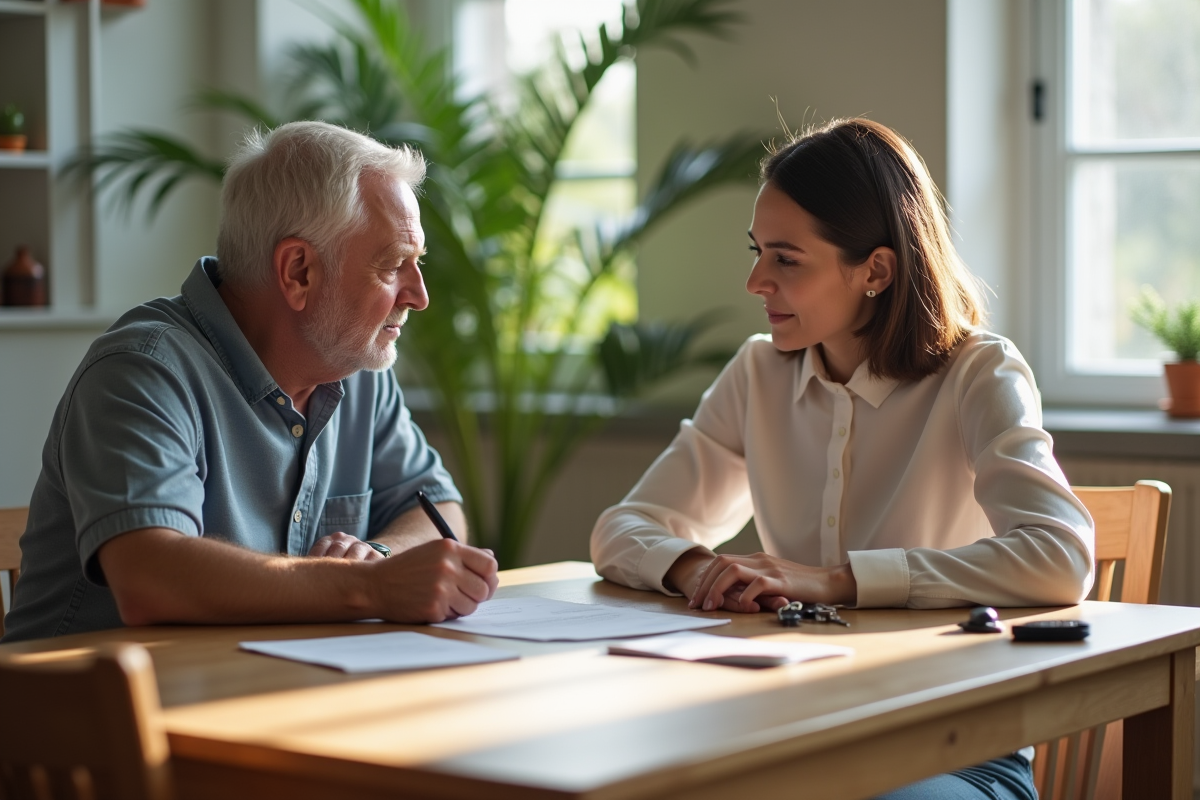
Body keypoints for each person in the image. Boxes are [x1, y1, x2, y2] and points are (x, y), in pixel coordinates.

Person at [590, 118, 1094, 800]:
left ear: (875, 271)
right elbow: (622, 528)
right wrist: (698, 567)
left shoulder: (979, 373)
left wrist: (838, 581)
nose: (755, 281)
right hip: (789, 737)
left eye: (786, 259)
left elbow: (1060, 558)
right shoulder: (757, 375)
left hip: (953, 749)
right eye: (757, 251)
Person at [2, 121, 497, 643]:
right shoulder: (140, 371)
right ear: (299, 271)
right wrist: (368, 586)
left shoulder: (356, 366)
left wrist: (378, 556)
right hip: (75, 716)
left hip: (253, 691)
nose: (419, 295)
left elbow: (441, 512)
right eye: (394, 265)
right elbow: (150, 577)